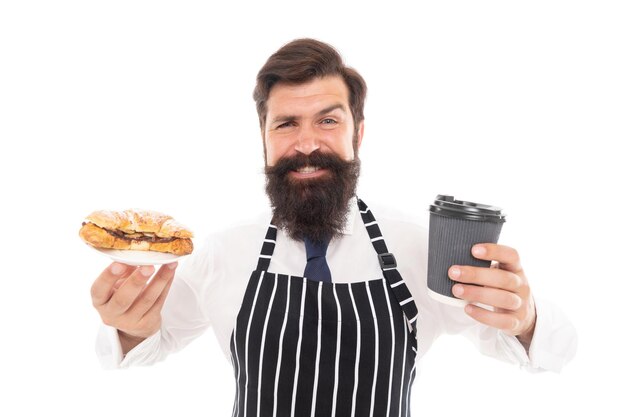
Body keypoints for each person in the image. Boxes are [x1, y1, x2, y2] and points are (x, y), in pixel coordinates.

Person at [92, 38, 576, 416]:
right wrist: (127, 326)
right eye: (285, 125)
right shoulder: (221, 252)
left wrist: (526, 316)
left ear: (357, 134)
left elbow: (550, 350)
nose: (306, 144)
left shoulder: (421, 247)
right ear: (262, 139)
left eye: (327, 120)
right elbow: (144, 344)